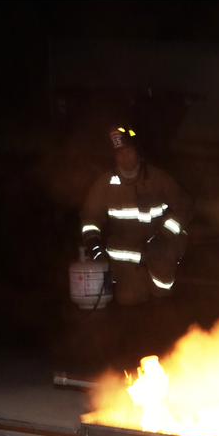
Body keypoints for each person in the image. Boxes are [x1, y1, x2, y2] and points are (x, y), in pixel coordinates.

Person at [79, 125, 193, 306]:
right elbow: (90, 218)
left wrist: (163, 237)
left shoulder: (157, 178)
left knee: (161, 289)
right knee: (129, 299)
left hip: (160, 245)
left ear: (137, 152)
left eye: (129, 151)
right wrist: (95, 248)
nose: (125, 157)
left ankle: (167, 305)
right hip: (127, 250)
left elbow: (185, 208)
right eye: (120, 153)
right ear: (114, 157)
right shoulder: (105, 184)